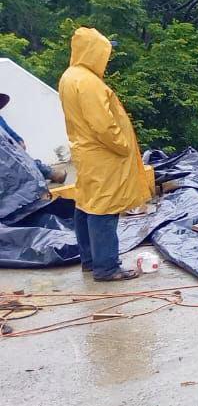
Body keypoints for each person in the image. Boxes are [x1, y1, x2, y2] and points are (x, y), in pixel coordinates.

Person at [58, 27, 154, 282]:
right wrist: (123, 145)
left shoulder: (71, 76)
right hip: (102, 154)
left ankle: (90, 260)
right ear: (93, 52)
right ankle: (107, 266)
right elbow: (102, 124)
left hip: (86, 152)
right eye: (104, 52)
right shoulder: (87, 82)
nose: (107, 58)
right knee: (104, 208)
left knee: (86, 203)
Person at [0, 93, 64, 183]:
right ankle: (46, 173)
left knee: (22, 159)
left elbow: (11, 133)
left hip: (11, 153)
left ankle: (47, 173)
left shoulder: (0, 119)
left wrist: (19, 141)